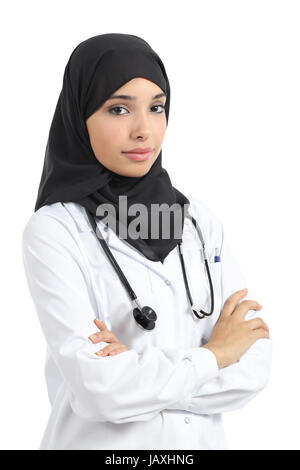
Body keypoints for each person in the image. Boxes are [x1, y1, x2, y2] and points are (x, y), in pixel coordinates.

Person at [21, 33, 273, 450]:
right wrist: (214, 356)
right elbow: (97, 389)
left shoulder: (199, 222)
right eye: (118, 109)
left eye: (157, 108)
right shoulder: (54, 230)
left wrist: (137, 378)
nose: (143, 130)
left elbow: (255, 366)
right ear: (78, 117)